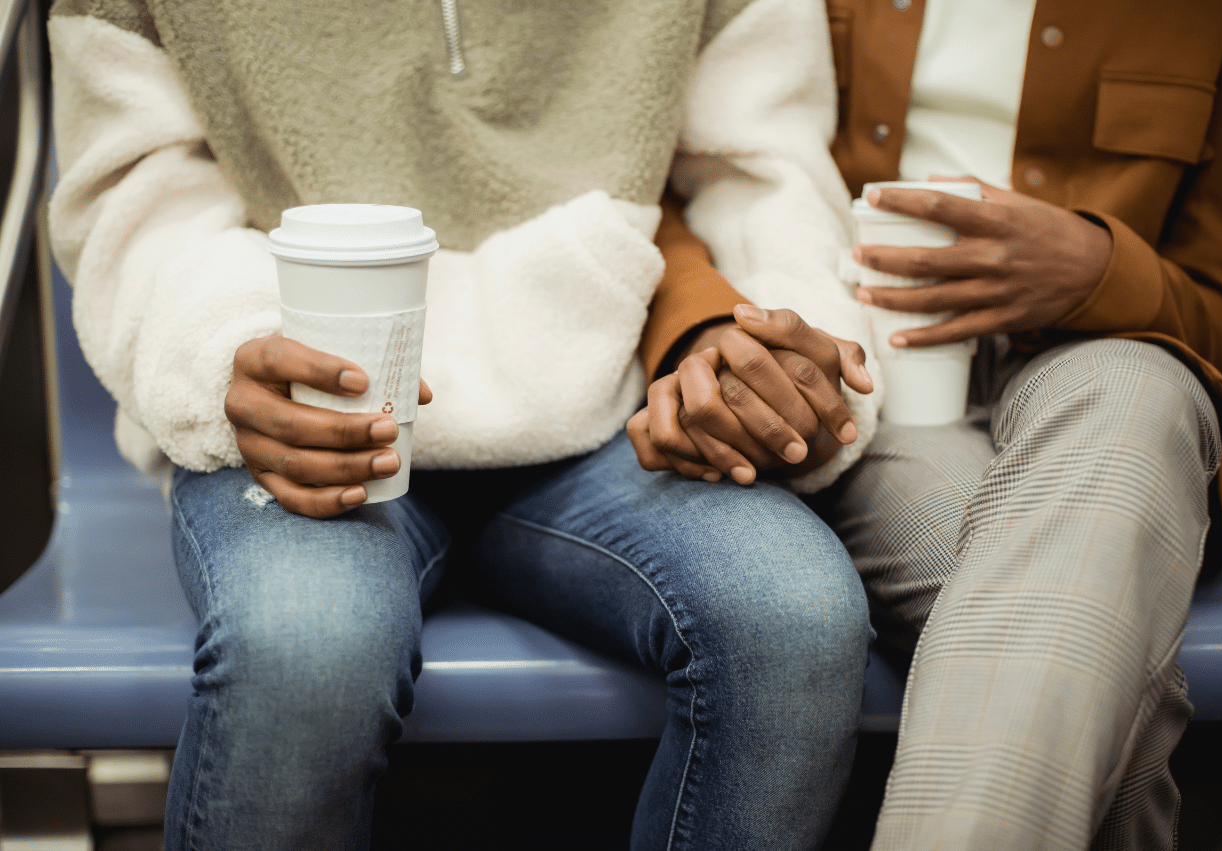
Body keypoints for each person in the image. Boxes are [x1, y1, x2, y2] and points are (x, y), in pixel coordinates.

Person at [46, 1, 885, 848]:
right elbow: (133, 188)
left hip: (602, 413)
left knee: (796, 616)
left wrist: (779, 348)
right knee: (305, 644)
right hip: (304, 409)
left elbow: (762, 173)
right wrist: (223, 349)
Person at [630, 0, 1222, 849]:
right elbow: (679, 174)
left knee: (1140, 386)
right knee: (1070, 634)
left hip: (1102, 376)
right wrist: (711, 324)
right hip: (879, 392)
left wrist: (1100, 269)